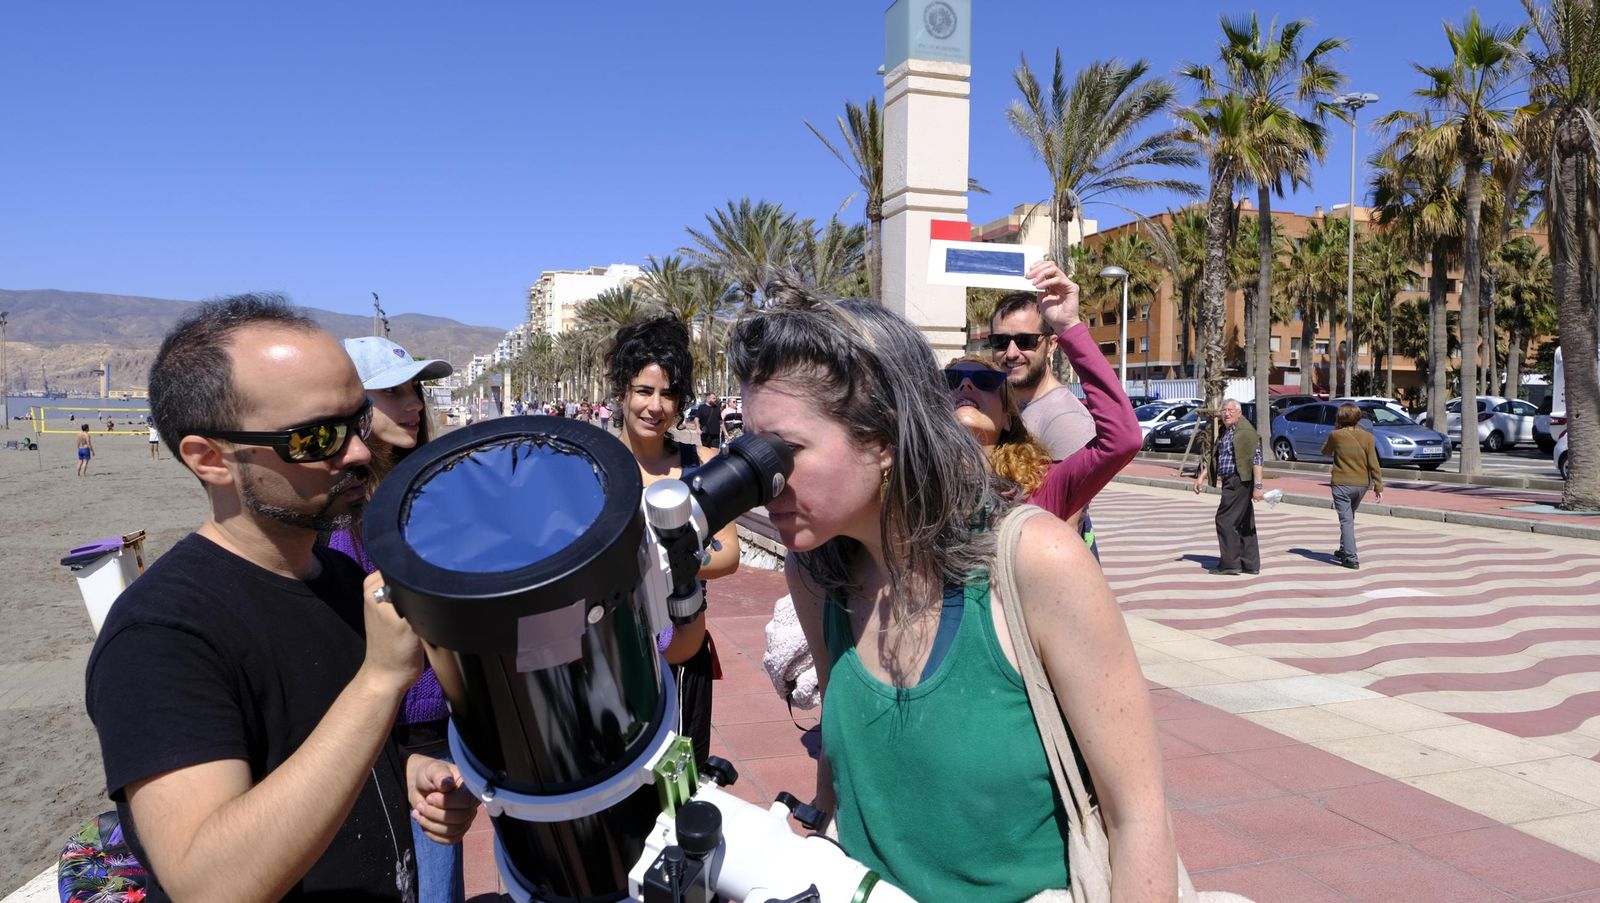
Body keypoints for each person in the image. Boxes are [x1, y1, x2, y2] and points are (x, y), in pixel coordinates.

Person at [731, 276, 1174, 901]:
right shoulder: (816, 574)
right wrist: (818, 813)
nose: (763, 478)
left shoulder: (1036, 561)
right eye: (750, 446)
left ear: (883, 437)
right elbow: (840, 735)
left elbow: (1139, 816)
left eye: (785, 450)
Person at [84, 294, 476, 901]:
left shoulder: (342, 583)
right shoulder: (160, 635)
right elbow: (208, 882)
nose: (357, 453)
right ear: (211, 459)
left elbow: (324, 752)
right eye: (317, 437)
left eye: (357, 423)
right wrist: (378, 682)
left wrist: (409, 773)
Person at [327, 335, 465, 903]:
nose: (415, 404)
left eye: (415, 390)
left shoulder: (438, 493)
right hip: (383, 737)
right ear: (353, 407)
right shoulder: (340, 519)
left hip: (451, 729)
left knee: (441, 886)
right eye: (394, 392)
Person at [604, 316, 740, 767]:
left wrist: (661, 558)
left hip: (686, 647)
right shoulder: (592, 467)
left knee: (681, 784)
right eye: (644, 390)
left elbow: (729, 555)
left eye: (668, 394)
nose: (655, 406)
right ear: (622, 391)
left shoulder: (702, 464)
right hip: (613, 655)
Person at [947, 261, 1140, 530]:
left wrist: (1069, 326)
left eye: (984, 380)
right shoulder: (922, 487)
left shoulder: (1061, 429)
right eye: (951, 380)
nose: (1011, 352)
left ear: (1008, 418)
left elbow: (1121, 441)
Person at [1193, 399, 1265, 576]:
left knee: (1225, 520)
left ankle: (1230, 564)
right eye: (1224, 410)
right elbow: (1217, 457)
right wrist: (1202, 476)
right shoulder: (1228, 431)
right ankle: (1250, 563)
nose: (1226, 413)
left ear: (1239, 413)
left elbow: (1257, 460)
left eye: (1231, 410)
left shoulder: (1245, 432)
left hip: (1238, 481)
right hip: (1231, 480)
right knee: (1244, 521)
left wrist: (1258, 486)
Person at [1321, 403, 1383, 570]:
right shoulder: (1368, 437)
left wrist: (1335, 432)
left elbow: (1325, 452)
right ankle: (1344, 549)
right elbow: (1373, 463)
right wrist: (1378, 486)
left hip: (1341, 484)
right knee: (1349, 517)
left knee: (1346, 521)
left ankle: (1351, 557)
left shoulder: (1335, 435)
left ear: (1340, 418)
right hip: (1362, 485)